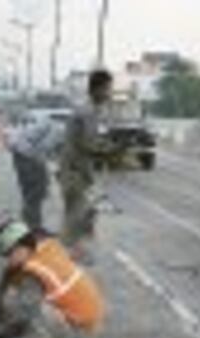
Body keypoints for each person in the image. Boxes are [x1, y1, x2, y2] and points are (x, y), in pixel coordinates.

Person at [0, 219, 105, 338]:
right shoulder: (46, 247)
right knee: (21, 305)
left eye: (7, 255)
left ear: (19, 248)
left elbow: (23, 314)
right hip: (87, 323)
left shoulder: (34, 273)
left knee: (25, 309)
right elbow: (7, 277)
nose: (6, 260)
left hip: (80, 333)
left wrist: (3, 331)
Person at [58, 69, 116, 260]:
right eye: (108, 89)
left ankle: (76, 254)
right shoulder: (87, 112)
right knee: (75, 216)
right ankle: (65, 258)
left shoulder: (89, 110)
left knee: (84, 214)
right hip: (75, 173)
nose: (109, 93)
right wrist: (111, 150)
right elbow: (88, 144)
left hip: (76, 171)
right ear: (97, 89)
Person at [6, 113, 63, 229]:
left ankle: (30, 222)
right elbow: (43, 147)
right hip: (27, 157)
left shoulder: (45, 123)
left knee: (30, 192)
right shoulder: (55, 130)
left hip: (21, 155)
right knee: (35, 192)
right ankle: (32, 224)